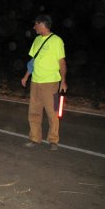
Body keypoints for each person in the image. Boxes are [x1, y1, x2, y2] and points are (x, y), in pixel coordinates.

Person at [21, 14, 67, 151]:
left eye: (35, 24)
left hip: (51, 83)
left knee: (52, 112)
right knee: (34, 111)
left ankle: (53, 140)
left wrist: (63, 80)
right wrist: (26, 76)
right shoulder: (36, 40)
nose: (34, 27)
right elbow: (33, 61)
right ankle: (34, 138)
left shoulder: (57, 41)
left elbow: (62, 62)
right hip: (36, 81)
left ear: (42, 24)